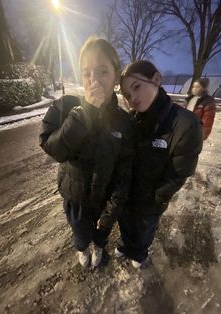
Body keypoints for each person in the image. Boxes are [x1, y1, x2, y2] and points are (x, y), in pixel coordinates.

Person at [39, 37, 133, 268]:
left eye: (102, 71)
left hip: (105, 198)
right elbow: (53, 148)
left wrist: (113, 208)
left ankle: (99, 247)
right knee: (80, 232)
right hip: (75, 197)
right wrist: (85, 113)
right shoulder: (67, 106)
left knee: (102, 231)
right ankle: (82, 248)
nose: (94, 80)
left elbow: (125, 170)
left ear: (116, 76)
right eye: (86, 72)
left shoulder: (124, 121)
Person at [115, 60, 203, 268]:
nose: (132, 98)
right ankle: (125, 243)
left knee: (145, 228)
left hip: (151, 200)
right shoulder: (131, 120)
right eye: (127, 95)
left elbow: (179, 173)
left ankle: (139, 251)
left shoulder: (186, 124)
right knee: (125, 221)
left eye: (136, 87)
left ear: (156, 79)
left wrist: (156, 198)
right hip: (127, 194)